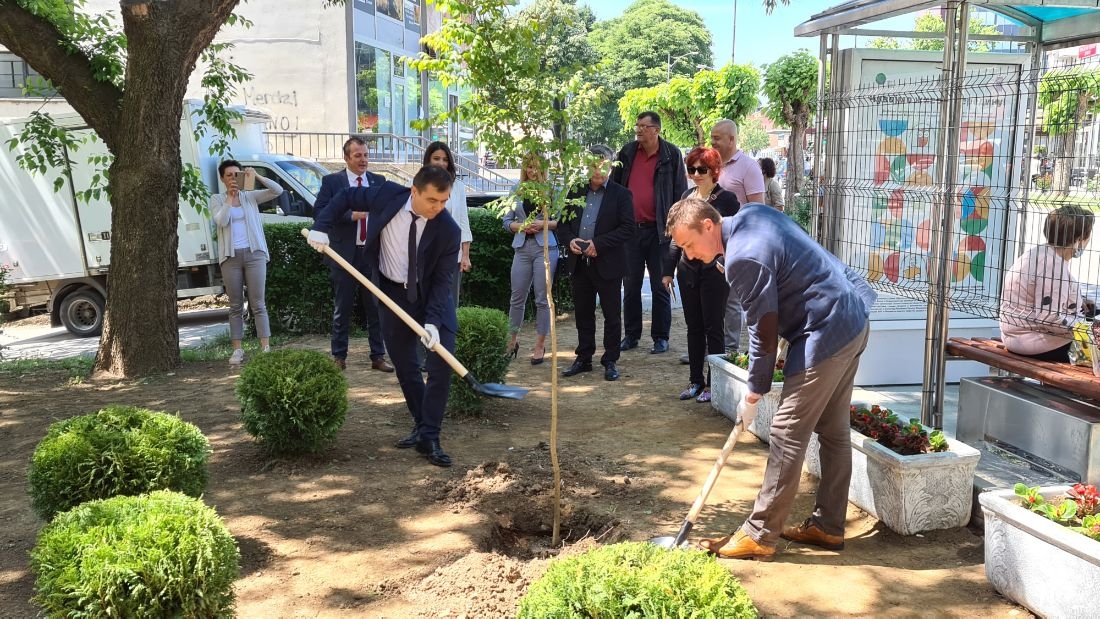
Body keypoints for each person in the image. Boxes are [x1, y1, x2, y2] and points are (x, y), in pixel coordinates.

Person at [665, 199, 876, 561]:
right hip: (852, 318)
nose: (688, 255)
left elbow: (762, 329)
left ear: (709, 226)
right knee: (833, 429)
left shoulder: (742, 257)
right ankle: (828, 527)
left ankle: (760, 534)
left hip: (825, 331)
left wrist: (754, 391)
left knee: (785, 433)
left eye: (688, 244)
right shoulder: (753, 215)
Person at [307, 166, 461, 467]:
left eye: (443, 201)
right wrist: (321, 226)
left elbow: (444, 281)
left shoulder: (448, 230)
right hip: (392, 294)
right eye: (432, 200)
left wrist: (432, 321)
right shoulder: (387, 195)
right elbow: (344, 197)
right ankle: (422, 429)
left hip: (431, 298)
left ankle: (431, 435)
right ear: (414, 191)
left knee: (441, 365)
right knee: (405, 365)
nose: (438, 208)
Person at [664, 148, 740, 401]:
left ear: (714, 171)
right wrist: (667, 271)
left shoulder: (727, 199)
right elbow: (677, 237)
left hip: (714, 271)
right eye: (691, 169)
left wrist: (724, 261)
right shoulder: (686, 197)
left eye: (701, 169)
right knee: (693, 327)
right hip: (688, 270)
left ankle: (712, 384)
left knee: (713, 327)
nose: (695, 174)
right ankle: (695, 380)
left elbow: (730, 237)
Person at [313, 137, 393, 373]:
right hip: (343, 255)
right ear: (346, 158)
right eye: (358, 156)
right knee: (342, 308)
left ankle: (378, 356)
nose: (363, 160)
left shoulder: (379, 181)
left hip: (371, 254)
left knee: (375, 307)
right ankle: (339, 357)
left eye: (366, 155)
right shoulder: (332, 182)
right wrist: (350, 216)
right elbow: (319, 213)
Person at [611, 111, 686, 355]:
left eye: (643, 126)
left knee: (660, 284)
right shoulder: (628, 152)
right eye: (637, 125)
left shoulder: (671, 154)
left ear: (656, 130)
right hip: (630, 231)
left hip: (659, 232)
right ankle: (631, 335)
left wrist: (676, 227)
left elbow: (680, 193)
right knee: (630, 285)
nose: (638, 130)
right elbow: (616, 187)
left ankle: (660, 337)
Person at [559, 145, 635, 381]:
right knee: (583, 313)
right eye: (593, 164)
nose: (598, 170)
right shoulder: (574, 191)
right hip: (579, 263)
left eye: (603, 165)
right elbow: (562, 224)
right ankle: (584, 357)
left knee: (612, 314)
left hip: (608, 263)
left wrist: (598, 244)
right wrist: (571, 240)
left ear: (611, 166)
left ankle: (610, 360)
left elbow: (628, 228)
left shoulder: (621, 194)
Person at [1000, 204, 1095, 362]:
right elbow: (1049, 318)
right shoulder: (1053, 266)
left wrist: (1079, 303)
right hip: (1036, 343)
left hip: (1017, 336)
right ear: (1078, 240)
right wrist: (1088, 331)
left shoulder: (1040, 253)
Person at [212, 161, 282, 366]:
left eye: (237, 174)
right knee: (235, 305)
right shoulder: (217, 199)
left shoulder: (250, 196)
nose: (233, 179)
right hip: (230, 257)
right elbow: (221, 221)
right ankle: (237, 350)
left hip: (255, 254)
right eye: (229, 176)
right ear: (222, 179)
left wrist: (256, 176)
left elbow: (277, 190)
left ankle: (265, 347)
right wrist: (229, 199)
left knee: (258, 303)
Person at [711, 119, 766, 355]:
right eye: (712, 137)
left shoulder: (748, 167)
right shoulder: (710, 164)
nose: (712, 142)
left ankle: (730, 349)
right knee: (710, 298)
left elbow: (758, 209)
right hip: (709, 242)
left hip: (736, 242)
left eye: (717, 138)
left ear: (731, 139)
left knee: (731, 301)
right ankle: (710, 347)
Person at [504, 153, 558, 365]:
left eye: (536, 167)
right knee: (516, 297)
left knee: (542, 298)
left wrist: (542, 224)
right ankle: (512, 341)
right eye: (528, 167)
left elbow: (560, 220)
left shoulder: (551, 190)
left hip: (545, 247)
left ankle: (539, 344)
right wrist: (521, 226)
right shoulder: (516, 188)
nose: (532, 171)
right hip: (521, 247)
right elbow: (507, 222)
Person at [423, 141, 472, 302]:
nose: (441, 163)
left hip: (451, 255)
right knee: (425, 303)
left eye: (445, 160)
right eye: (436, 158)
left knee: (449, 304)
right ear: (428, 160)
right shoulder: (415, 185)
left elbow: (463, 222)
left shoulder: (457, 187)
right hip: (424, 255)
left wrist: (465, 255)